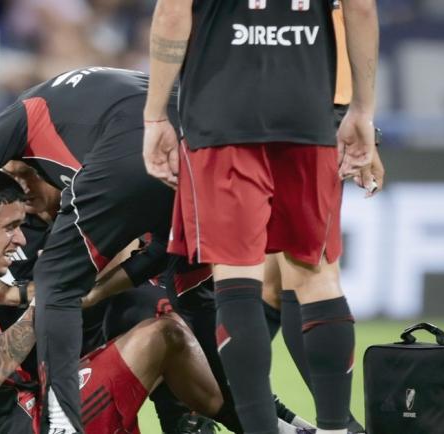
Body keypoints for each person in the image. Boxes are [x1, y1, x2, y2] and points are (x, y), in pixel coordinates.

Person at [142, 1, 379, 434]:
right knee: (317, 277)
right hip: (308, 113)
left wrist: (156, 115)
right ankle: (335, 428)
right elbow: (360, 8)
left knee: (237, 283)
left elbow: (172, 13)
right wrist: (362, 110)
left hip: (222, 114)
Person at [0, 170, 241, 434]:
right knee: (165, 334)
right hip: (28, 425)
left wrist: (33, 296)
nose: (20, 239)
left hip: (23, 416)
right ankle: (256, 422)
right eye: (10, 227)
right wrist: (48, 300)